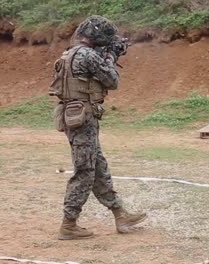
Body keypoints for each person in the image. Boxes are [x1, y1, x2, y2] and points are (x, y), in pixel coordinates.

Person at [50, 15, 147, 240]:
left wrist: (108, 54)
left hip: (77, 116)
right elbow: (112, 81)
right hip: (82, 118)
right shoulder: (88, 55)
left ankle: (119, 214)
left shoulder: (70, 53)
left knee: (98, 167)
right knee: (85, 171)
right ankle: (69, 224)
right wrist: (112, 56)